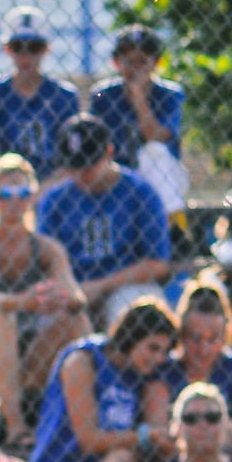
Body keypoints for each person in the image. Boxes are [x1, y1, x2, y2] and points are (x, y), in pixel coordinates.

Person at [0, 153, 90, 441]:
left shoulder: (47, 248)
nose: (14, 203)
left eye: (23, 193)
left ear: (33, 196)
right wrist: (22, 303)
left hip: (28, 361)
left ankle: (88, 422)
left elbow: (75, 294)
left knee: (75, 320)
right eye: (4, 194)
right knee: (3, 318)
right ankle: (16, 427)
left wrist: (62, 298)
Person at [30, 299, 177, 462]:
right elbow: (88, 439)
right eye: (152, 348)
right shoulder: (84, 360)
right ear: (132, 337)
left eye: (164, 351)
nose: (159, 358)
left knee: (123, 460)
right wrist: (144, 436)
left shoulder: (144, 374)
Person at [36, 113, 171, 328]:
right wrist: (72, 290)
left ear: (109, 152)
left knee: (136, 312)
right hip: (71, 287)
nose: (82, 175)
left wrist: (101, 286)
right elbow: (44, 260)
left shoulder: (140, 192)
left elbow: (157, 264)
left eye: (89, 166)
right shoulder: (54, 200)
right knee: (53, 317)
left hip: (124, 286)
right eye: (74, 167)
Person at [88, 25, 189, 246]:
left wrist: (138, 98)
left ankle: (175, 234)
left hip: (163, 178)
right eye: (127, 61)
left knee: (153, 152)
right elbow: (94, 142)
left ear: (156, 63)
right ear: (115, 63)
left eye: (142, 61)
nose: (135, 68)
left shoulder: (170, 94)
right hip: (116, 172)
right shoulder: (103, 95)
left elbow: (156, 137)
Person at [157, 280, 232, 462]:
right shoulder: (166, 369)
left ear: (225, 336)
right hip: (180, 450)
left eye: (213, 339)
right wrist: (192, 437)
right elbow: (158, 428)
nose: (204, 349)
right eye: (195, 338)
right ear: (182, 336)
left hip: (227, 450)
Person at [0, 7, 80, 180]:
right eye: (18, 47)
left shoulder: (65, 96)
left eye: (34, 48)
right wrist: (17, 188)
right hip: (5, 183)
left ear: (46, 49)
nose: (26, 55)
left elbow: (70, 159)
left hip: (53, 185)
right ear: (7, 49)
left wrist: (42, 192)